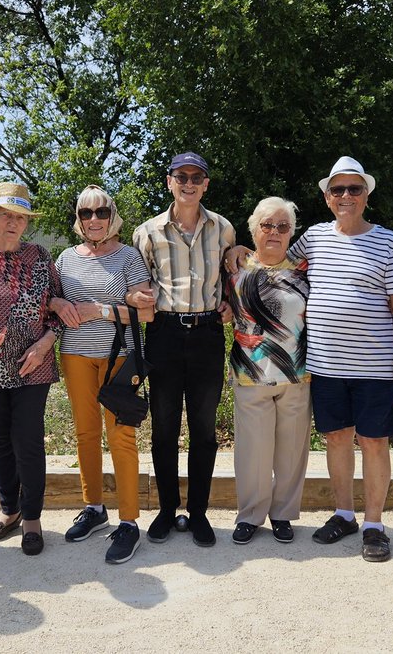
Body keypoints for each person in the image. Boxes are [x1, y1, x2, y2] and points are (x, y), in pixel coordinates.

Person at [226, 155, 393, 562]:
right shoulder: (313, 238)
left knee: (375, 443)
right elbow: (270, 257)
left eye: (354, 189)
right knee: (336, 439)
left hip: (374, 364)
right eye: (338, 189)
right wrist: (237, 249)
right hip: (325, 365)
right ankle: (344, 514)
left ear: (366, 195)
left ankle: (375, 524)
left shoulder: (390, 242)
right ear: (327, 197)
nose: (346, 196)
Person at [129, 152, 235, 548]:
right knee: (164, 427)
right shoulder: (147, 232)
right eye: (181, 176)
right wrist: (133, 296)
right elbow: (136, 285)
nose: (189, 183)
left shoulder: (223, 229)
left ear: (206, 183)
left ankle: (200, 513)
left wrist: (229, 305)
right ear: (169, 181)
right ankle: (167, 509)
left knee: (205, 430)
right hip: (165, 334)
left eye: (197, 177)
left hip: (207, 333)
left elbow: (232, 278)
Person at [51, 185, 154, 564]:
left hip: (117, 358)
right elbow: (51, 300)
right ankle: (94, 507)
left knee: (121, 436)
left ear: (113, 216)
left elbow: (145, 312)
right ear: (78, 220)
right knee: (85, 434)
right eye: (85, 213)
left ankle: (128, 521)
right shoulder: (64, 259)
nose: (93, 220)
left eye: (101, 212)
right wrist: (58, 301)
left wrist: (100, 310)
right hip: (75, 355)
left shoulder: (129, 258)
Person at [0, 182, 62, 556]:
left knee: (28, 441)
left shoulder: (40, 255)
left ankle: (32, 519)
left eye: (20, 217)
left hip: (34, 364)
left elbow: (59, 308)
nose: (13, 222)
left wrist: (46, 342)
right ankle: (10, 511)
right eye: (6, 215)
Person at [224, 196, 312, 545]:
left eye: (282, 226)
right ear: (253, 229)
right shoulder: (234, 269)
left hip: (296, 374)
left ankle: (283, 514)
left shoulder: (306, 269)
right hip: (250, 375)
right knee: (252, 452)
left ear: (292, 232)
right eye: (266, 225)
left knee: (291, 451)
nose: (274, 232)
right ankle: (250, 516)